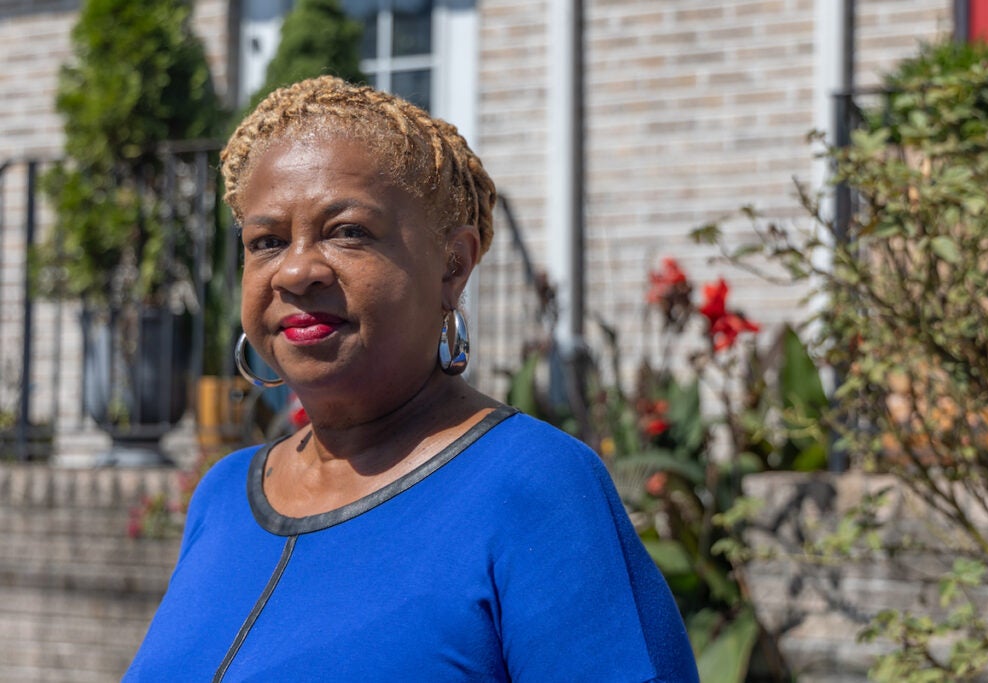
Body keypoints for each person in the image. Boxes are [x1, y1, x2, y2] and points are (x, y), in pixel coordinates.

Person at [124, 76, 699, 682]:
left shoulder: (534, 485)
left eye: (347, 232)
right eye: (265, 242)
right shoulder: (221, 496)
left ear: (453, 266)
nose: (295, 270)